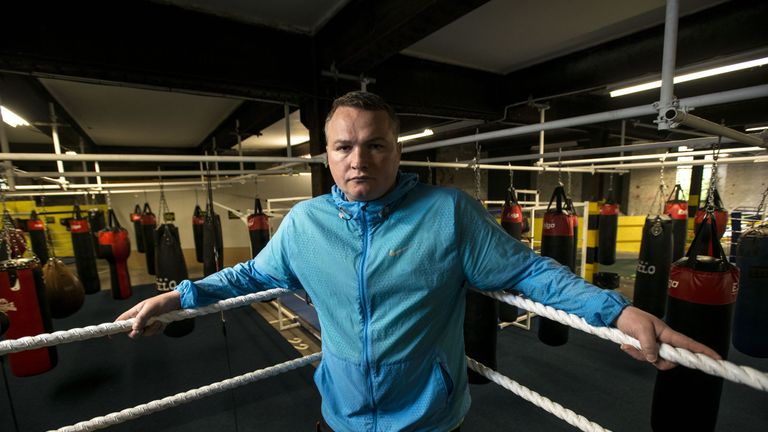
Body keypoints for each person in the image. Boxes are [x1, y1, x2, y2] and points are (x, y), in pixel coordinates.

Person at [117, 91, 719, 432]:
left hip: (429, 420)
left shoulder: (447, 213)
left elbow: (532, 272)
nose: (360, 160)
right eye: (344, 147)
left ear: (396, 148)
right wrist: (179, 296)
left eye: (376, 144)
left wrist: (619, 312)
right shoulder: (305, 224)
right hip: (341, 417)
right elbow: (250, 275)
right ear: (326, 155)